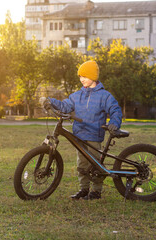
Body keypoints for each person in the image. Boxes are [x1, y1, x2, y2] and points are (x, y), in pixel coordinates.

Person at [44, 60, 122, 200]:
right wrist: (50, 101)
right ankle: (84, 189)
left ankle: (96, 191)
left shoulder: (104, 96)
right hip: (79, 135)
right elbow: (65, 106)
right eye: (80, 77)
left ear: (93, 76)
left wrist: (114, 123)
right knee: (82, 164)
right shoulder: (77, 96)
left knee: (95, 164)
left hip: (94, 135)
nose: (82, 79)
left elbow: (115, 109)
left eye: (85, 76)